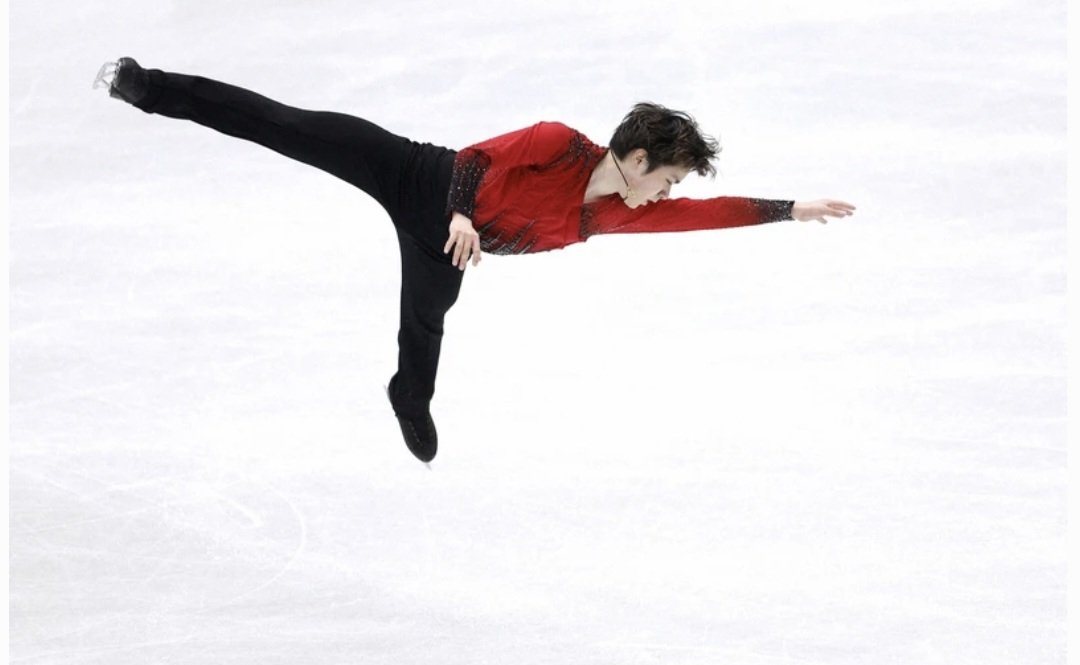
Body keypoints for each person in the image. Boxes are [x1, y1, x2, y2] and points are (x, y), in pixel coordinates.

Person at [93, 58, 856, 463]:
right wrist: (460, 211)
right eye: (664, 178)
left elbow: (705, 216)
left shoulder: (615, 215)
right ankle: (146, 86)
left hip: (444, 245)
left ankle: (406, 397)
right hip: (416, 175)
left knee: (426, 322)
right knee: (284, 125)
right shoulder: (561, 140)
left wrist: (790, 209)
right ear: (633, 154)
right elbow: (482, 159)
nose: (665, 196)